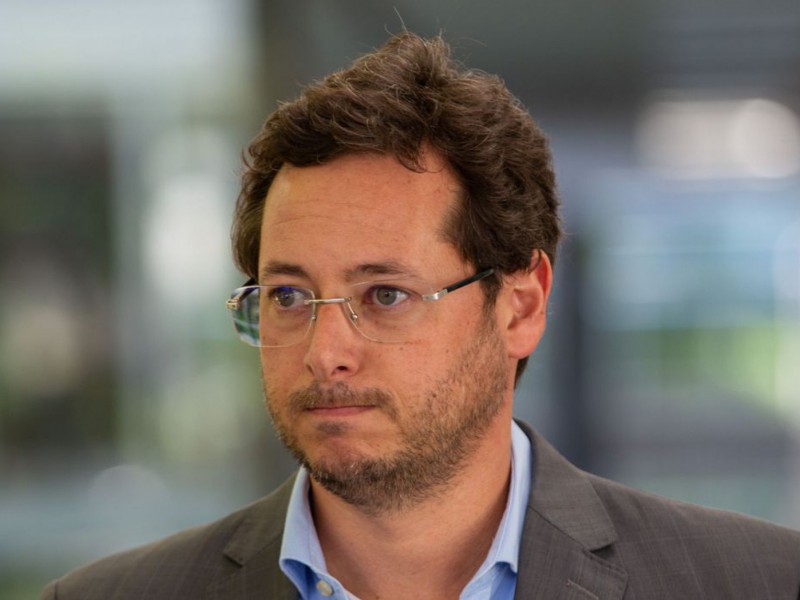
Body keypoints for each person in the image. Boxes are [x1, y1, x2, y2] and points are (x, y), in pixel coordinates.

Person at [42, 32, 799, 600]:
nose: (324, 352)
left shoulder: (758, 583)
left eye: (385, 295)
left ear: (521, 306)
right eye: (288, 297)